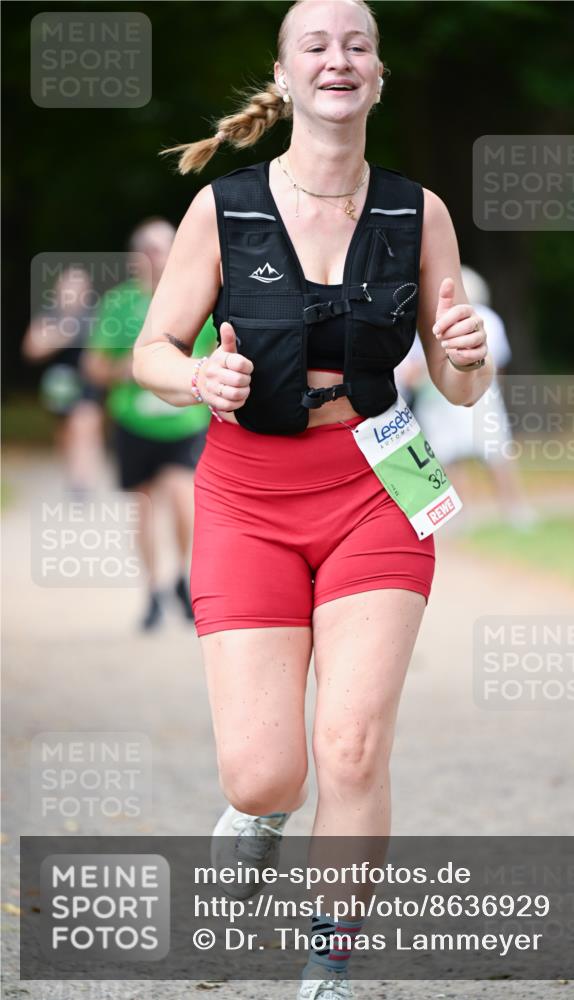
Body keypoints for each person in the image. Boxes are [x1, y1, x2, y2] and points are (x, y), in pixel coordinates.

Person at [132, 1, 493, 994]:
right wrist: (195, 379)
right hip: (248, 493)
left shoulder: (416, 213)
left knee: (353, 739)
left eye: (358, 46)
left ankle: (330, 957)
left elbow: (458, 380)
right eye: (316, 45)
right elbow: (150, 351)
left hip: (381, 483)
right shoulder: (226, 207)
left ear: (377, 79)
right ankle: (257, 810)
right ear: (285, 79)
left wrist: (464, 364)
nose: (340, 59)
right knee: (265, 767)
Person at [84, 219, 217, 630]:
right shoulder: (120, 304)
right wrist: (133, 369)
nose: (158, 256)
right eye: (151, 249)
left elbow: (216, 352)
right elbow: (94, 367)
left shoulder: (195, 296)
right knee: (142, 509)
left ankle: (181, 576)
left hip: (184, 422)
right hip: (134, 421)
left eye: (165, 247)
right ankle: (153, 591)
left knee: (182, 500)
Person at [396, 265, 537, 528]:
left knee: (491, 453)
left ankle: (509, 509)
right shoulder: (429, 323)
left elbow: (491, 361)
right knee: (453, 456)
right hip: (442, 400)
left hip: (476, 395)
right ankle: (477, 512)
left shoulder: (483, 320)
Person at [22, 265, 106, 496]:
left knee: (86, 424)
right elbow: (31, 348)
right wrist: (61, 334)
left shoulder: (95, 316)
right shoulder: (51, 315)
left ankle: (83, 481)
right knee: (66, 433)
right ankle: (74, 474)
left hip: (88, 381)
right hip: (60, 386)